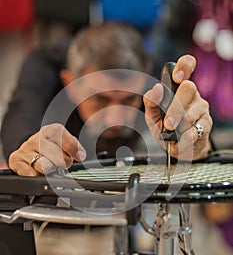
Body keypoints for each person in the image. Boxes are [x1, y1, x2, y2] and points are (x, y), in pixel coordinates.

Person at [1, 21, 212, 176]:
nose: (114, 119)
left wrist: (197, 141)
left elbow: (196, 136)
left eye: (129, 99)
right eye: (100, 100)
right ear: (70, 83)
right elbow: (21, 116)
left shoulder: (157, 77)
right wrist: (27, 148)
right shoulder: (43, 67)